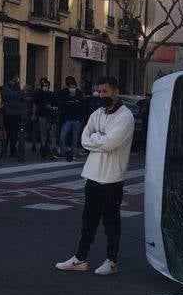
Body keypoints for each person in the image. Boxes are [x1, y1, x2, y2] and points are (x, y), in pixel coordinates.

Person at [55, 76, 135, 276]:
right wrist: (99, 139)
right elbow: (84, 139)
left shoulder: (125, 117)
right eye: (99, 92)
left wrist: (96, 138)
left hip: (112, 178)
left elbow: (109, 144)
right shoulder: (97, 113)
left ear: (116, 92)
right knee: (88, 221)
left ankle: (112, 261)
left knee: (111, 222)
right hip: (93, 175)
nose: (101, 95)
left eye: (105, 92)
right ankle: (80, 258)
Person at [58, 75, 85, 157]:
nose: (72, 88)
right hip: (67, 119)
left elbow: (82, 106)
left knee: (75, 138)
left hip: (76, 119)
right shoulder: (64, 93)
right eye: (71, 87)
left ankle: (73, 153)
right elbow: (61, 104)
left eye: (74, 87)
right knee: (62, 136)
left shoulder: (79, 93)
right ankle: (63, 151)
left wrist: (81, 118)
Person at [1, 75, 25, 161]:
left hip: (16, 112)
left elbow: (20, 97)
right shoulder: (5, 87)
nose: (17, 79)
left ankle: (12, 150)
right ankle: (4, 148)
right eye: (15, 77)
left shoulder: (17, 87)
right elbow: (10, 95)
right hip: (8, 113)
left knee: (15, 132)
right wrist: (22, 92)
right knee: (7, 132)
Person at [30, 77, 55, 153]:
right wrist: (34, 114)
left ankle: (50, 147)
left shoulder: (51, 95)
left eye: (46, 85)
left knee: (51, 132)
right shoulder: (38, 94)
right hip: (41, 115)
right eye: (44, 85)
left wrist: (53, 108)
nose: (45, 87)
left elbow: (56, 104)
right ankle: (42, 147)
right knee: (42, 132)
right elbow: (35, 104)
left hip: (50, 116)